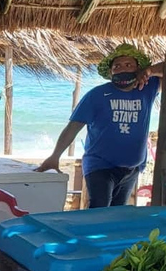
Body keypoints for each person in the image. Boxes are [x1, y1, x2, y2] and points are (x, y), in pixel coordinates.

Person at [36, 44, 163, 208]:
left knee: (117, 214)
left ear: (138, 69)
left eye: (128, 64)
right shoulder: (97, 95)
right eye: (117, 66)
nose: (122, 68)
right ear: (111, 73)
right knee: (99, 209)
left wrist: (149, 71)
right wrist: (55, 156)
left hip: (131, 169)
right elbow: (73, 127)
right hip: (100, 166)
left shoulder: (147, 88)